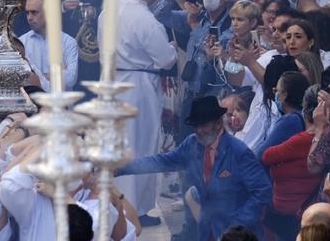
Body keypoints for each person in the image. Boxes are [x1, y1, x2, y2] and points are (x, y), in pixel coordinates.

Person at [117, 96, 272, 241]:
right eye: (196, 125)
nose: (198, 130)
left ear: (218, 123)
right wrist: (120, 167)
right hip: (207, 231)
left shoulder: (239, 152)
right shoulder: (192, 144)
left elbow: (263, 191)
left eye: (204, 125)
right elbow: (161, 161)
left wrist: (239, 225)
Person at [105, 0, 177, 219]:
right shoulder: (145, 19)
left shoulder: (108, 10)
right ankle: (136, 210)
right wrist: (170, 46)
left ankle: (117, 205)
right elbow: (166, 59)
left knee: (119, 145)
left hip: (113, 82)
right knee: (141, 146)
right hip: (138, 85)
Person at [18, 0, 78, 91]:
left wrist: (39, 78)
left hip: (62, 104)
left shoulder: (69, 42)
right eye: (27, 13)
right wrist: (56, 74)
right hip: (33, 104)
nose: (29, 17)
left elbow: (71, 79)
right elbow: (25, 80)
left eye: (34, 12)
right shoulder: (22, 43)